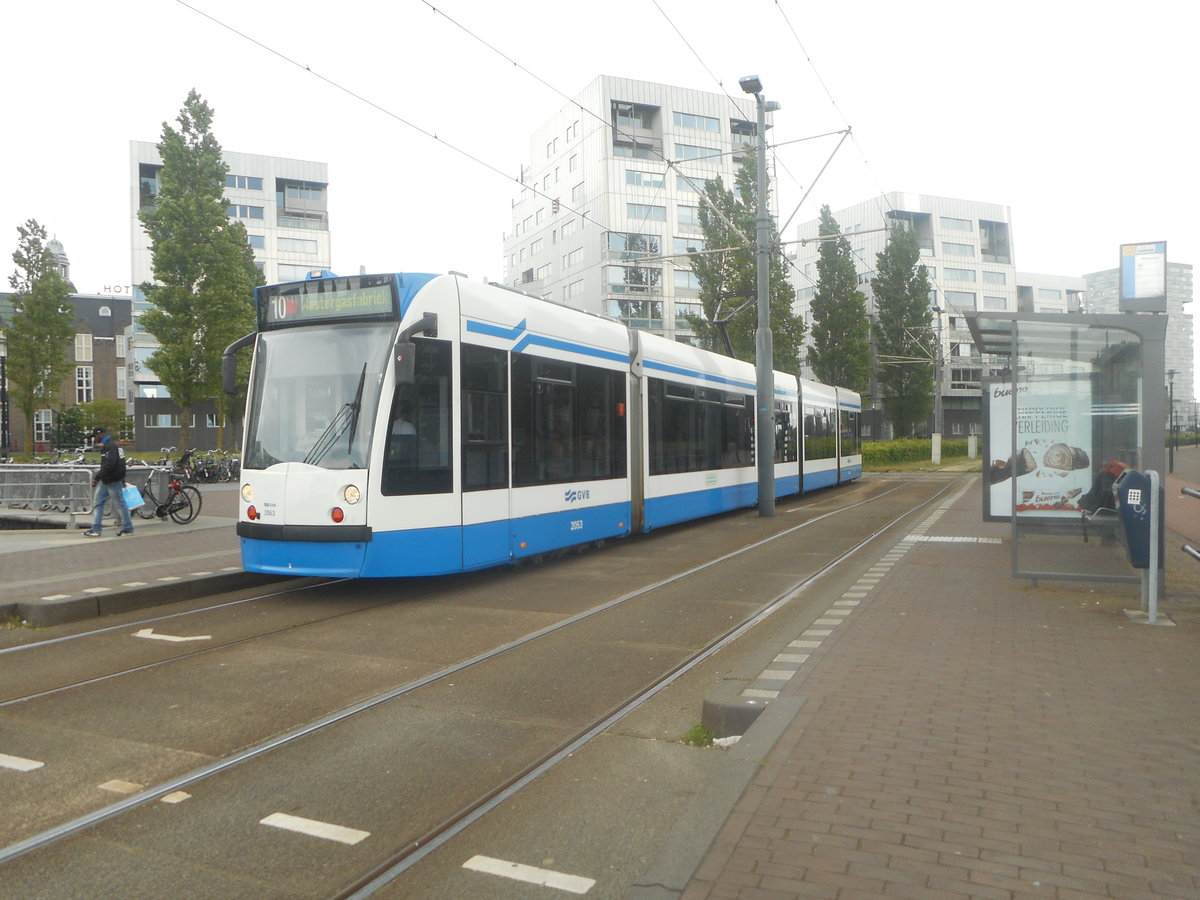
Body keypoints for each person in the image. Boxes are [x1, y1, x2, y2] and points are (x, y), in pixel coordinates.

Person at [83, 426, 134, 537]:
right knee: (99, 503)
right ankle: (96, 528)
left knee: (119, 503)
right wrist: (122, 477)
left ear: (100, 435)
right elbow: (121, 463)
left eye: (95, 436)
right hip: (109, 478)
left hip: (111, 479)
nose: (95, 439)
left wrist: (97, 477)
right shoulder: (113, 445)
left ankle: (127, 528)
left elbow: (110, 464)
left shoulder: (110, 446)